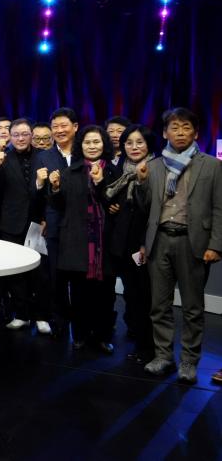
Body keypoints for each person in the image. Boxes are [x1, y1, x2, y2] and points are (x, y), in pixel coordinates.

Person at [136, 108, 222, 384]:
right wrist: (141, 182)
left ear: (195, 133)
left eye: (186, 127)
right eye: (174, 127)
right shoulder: (154, 165)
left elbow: (219, 207)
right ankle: (163, 356)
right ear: (165, 133)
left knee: (192, 308)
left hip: (193, 241)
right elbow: (144, 208)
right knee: (159, 305)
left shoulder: (212, 165)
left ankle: (189, 361)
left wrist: (216, 245)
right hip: (159, 240)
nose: (180, 132)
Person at [48, 125, 120, 354]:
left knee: (105, 294)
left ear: (104, 144)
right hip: (76, 240)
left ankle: (102, 336)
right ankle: (79, 335)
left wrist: (99, 183)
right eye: (87, 142)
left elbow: (116, 206)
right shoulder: (70, 172)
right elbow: (59, 206)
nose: (92, 146)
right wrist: (55, 189)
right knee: (79, 293)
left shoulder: (114, 172)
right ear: (81, 145)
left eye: (96, 142)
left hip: (105, 243)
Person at [0, 119, 50, 334]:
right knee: (16, 274)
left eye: (25, 134)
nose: (21, 138)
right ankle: (22, 315)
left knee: (40, 273)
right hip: (11, 223)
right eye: (16, 135)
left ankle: (42, 316)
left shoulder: (44, 156)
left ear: (31, 135)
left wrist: (45, 218)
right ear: (9, 137)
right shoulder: (3, 158)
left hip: (37, 223)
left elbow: (49, 192)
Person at [104, 124, 157, 362]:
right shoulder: (120, 170)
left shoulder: (157, 169)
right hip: (122, 243)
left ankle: (149, 349)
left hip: (145, 244)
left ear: (149, 144)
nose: (134, 147)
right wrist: (112, 206)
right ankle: (140, 342)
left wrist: (145, 243)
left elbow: (154, 211)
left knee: (146, 298)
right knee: (132, 296)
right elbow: (109, 198)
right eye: (129, 143)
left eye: (139, 142)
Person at [33, 107, 79, 337]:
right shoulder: (44, 156)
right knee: (56, 276)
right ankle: (59, 321)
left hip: (82, 224)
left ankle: (81, 328)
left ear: (75, 127)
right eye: (55, 127)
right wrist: (40, 184)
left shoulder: (85, 152)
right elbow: (37, 195)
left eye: (64, 126)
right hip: (54, 223)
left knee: (81, 278)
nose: (59, 130)